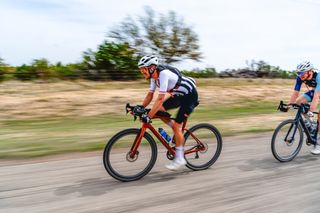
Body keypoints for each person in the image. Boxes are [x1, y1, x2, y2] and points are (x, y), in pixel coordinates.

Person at [138, 55, 199, 170]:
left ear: (151, 68)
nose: (142, 72)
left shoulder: (163, 74)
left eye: (143, 69)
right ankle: (177, 131)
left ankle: (180, 158)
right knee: (160, 110)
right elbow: (150, 95)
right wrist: (140, 107)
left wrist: (148, 116)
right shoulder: (153, 78)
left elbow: (160, 99)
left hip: (190, 96)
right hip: (178, 95)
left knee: (176, 126)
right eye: (141, 70)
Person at [288, 61, 320, 154]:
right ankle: (311, 124)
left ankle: (318, 143)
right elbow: (295, 93)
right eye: (298, 73)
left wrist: (311, 110)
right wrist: (289, 105)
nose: (300, 75)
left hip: (317, 93)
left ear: (309, 71)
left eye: (302, 73)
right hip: (315, 92)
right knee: (298, 102)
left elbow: (316, 96)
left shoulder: (318, 76)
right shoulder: (300, 78)